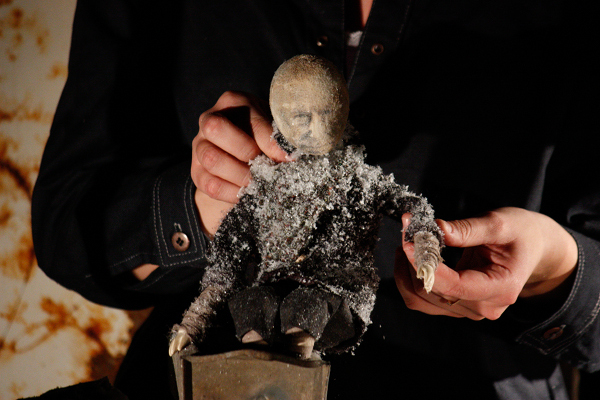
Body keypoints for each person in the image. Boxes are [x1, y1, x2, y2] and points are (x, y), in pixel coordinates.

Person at [31, 0, 599, 399]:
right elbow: (65, 227)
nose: (307, 131)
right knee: (251, 313)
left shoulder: (356, 175)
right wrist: (201, 209)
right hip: (206, 382)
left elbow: (404, 203)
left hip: (448, 374)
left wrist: (556, 270)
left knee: (309, 312)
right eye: (296, 117)